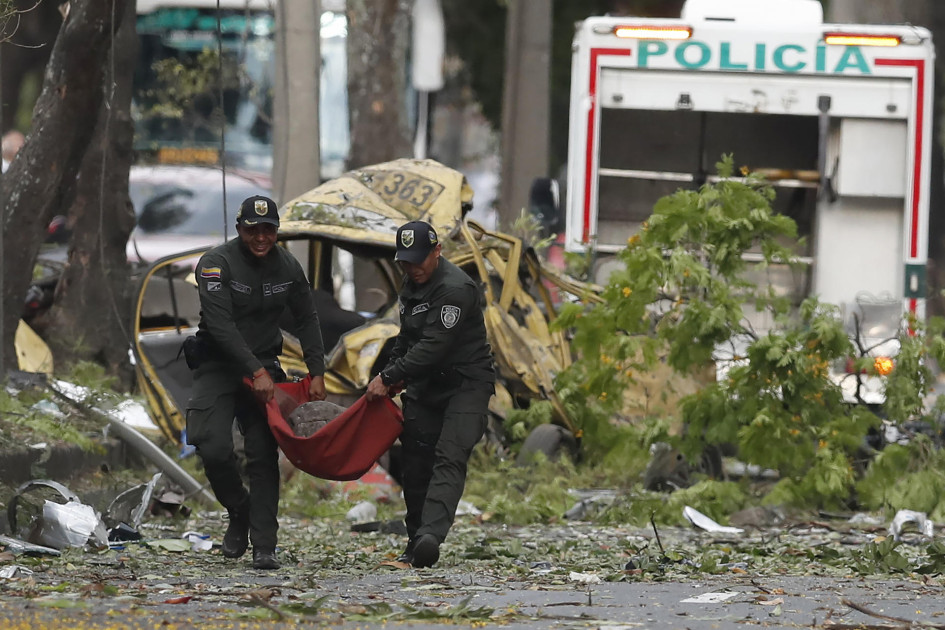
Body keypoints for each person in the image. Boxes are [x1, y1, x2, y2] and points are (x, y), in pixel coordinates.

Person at [186, 195, 326, 570]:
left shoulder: (288, 267)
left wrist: (317, 372)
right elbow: (220, 325)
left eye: (268, 229)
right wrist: (254, 371)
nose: (261, 237)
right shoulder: (216, 264)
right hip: (219, 365)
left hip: (265, 364)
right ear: (239, 229)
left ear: (277, 232)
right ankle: (239, 510)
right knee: (211, 445)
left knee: (264, 454)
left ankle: (265, 544)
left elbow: (307, 318)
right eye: (253, 229)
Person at [366, 220, 495, 568]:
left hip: (465, 384)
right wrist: (390, 376)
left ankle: (430, 538)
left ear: (437, 252)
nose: (413, 267)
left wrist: (390, 375)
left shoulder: (456, 288)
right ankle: (414, 543)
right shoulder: (411, 283)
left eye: (419, 259)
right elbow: (406, 338)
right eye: (405, 261)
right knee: (416, 462)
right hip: (426, 386)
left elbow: (434, 346)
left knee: (449, 455)